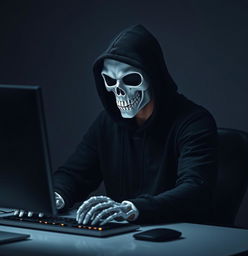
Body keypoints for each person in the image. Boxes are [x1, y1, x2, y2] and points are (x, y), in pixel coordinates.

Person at [15, 24, 218, 226]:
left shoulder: (194, 122)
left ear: (154, 77)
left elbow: (195, 188)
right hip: (125, 239)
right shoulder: (107, 122)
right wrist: (54, 197)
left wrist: (132, 209)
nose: (119, 91)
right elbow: (73, 174)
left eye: (130, 79)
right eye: (110, 80)